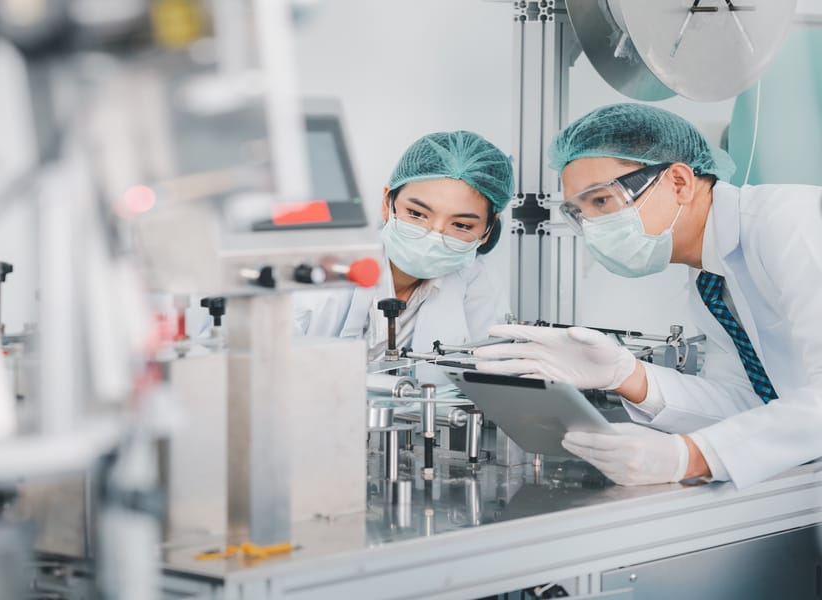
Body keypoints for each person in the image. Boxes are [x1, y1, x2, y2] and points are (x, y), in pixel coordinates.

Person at [474, 103, 822, 489]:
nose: (593, 228)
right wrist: (627, 375)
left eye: (602, 201)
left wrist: (690, 457)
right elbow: (747, 402)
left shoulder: (790, 223)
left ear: (679, 183)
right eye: (580, 213)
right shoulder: (710, 279)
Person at [294, 130, 513, 382]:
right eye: (417, 214)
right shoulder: (319, 276)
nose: (434, 235)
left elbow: (488, 380)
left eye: (461, 225)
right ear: (388, 203)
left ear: (487, 230)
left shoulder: (478, 283)